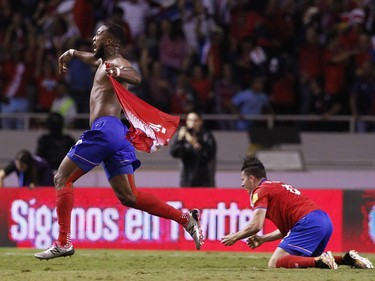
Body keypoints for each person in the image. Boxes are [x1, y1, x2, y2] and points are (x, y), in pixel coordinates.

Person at [34, 22, 203, 260]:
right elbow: (91, 58)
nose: (93, 38)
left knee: (62, 178)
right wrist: (71, 53)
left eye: (98, 34)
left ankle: (63, 242)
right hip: (117, 134)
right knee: (129, 197)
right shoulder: (101, 61)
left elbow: (135, 76)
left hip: (105, 130)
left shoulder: (117, 63)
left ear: (111, 41)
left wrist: (117, 72)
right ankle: (186, 218)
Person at [220, 156, 374, 269]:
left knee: (274, 263)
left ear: (252, 178)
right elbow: (287, 231)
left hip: (308, 222)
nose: (242, 185)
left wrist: (234, 236)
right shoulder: (276, 185)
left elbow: (256, 225)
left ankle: (324, 259)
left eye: (243, 180)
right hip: (323, 221)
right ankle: (347, 259)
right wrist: (263, 240)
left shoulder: (259, 191)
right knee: (308, 260)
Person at [170, 112, 217, 187]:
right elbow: (174, 153)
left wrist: (195, 144)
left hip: (204, 181)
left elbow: (209, 155)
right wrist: (180, 139)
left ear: (200, 122)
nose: (192, 123)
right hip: (186, 180)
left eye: (195, 120)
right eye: (189, 120)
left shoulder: (206, 136)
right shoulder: (183, 136)